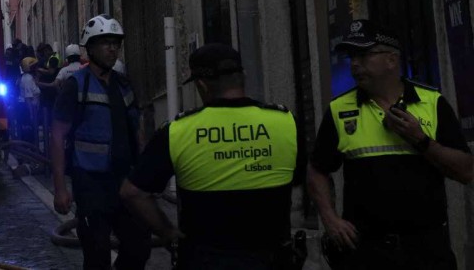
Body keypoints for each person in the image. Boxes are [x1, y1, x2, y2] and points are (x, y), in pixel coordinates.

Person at [306, 20, 473, 270]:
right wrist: (330, 220)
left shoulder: (432, 102)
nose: (354, 64)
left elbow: (466, 171)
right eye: (351, 56)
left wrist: (421, 140)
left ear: (391, 60)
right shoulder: (340, 110)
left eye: (363, 55)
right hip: (366, 252)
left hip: (426, 249)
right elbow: (316, 169)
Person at [121, 44, 305, 269]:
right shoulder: (285, 122)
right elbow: (299, 179)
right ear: (242, 77)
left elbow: (132, 193)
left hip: (205, 260)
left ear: (202, 85)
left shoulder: (178, 131)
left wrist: (167, 232)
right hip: (273, 260)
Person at [51, 15, 150, 270]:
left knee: (139, 247)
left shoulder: (124, 85)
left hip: (126, 182)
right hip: (91, 184)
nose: (112, 49)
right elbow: (58, 135)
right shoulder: (75, 86)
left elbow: (137, 131)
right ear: (90, 48)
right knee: (97, 253)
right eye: (105, 43)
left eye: (115, 43)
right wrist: (60, 188)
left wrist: (144, 177)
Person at [17, 57, 41, 143]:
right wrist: (31, 115)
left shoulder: (30, 77)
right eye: (35, 67)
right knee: (29, 134)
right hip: (27, 109)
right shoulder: (27, 79)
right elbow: (28, 98)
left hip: (30, 109)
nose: (37, 69)